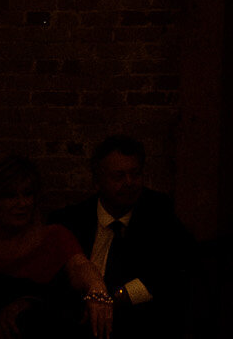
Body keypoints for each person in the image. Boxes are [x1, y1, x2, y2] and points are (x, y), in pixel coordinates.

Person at [50, 137, 193, 338]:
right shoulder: (74, 220)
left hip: (137, 326)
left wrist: (112, 300)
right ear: (97, 181)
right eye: (119, 176)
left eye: (135, 174)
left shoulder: (157, 213)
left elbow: (167, 273)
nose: (129, 183)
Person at [0, 156, 113, 339]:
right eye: (11, 196)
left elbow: (80, 266)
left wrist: (97, 290)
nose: (23, 203)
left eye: (28, 194)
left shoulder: (54, 236)